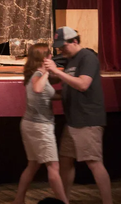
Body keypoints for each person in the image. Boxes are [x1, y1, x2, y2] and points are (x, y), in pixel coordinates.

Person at [45, 27, 111, 204]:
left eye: (63, 46)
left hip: (88, 120)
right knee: (65, 161)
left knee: (94, 162)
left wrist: (58, 72)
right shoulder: (71, 60)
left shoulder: (88, 58)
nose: (61, 51)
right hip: (73, 121)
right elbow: (68, 88)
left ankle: (108, 201)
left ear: (75, 41)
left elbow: (82, 85)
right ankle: (63, 201)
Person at [14, 44, 69, 204]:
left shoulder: (34, 74)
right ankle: (64, 202)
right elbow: (38, 89)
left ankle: (19, 200)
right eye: (50, 55)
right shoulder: (38, 74)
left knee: (33, 165)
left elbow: (47, 95)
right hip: (40, 127)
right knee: (53, 168)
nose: (52, 58)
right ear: (44, 58)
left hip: (31, 125)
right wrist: (47, 71)